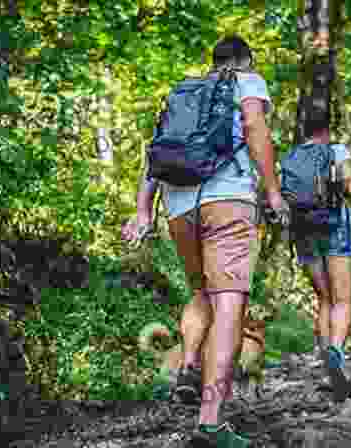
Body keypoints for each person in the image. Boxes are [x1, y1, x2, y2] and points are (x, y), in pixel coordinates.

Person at [123, 35, 288, 447]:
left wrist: (144, 210)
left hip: (178, 206)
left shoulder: (184, 92)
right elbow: (254, 127)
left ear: (212, 62)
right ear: (244, 61)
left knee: (201, 292)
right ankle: (211, 421)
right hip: (227, 201)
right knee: (230, 304)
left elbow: (156, 154)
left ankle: (189, 363)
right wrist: (272, 192)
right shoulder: (247, 81)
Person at [291, 105, 351, 402]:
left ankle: (326, 365)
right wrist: (350, 186)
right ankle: (336, 352)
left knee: (324, 300)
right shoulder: (337, 150)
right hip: (335, 225)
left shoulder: (292, 158)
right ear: (326, 130)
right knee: (342, 299)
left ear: (304, 130)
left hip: (304, 230)